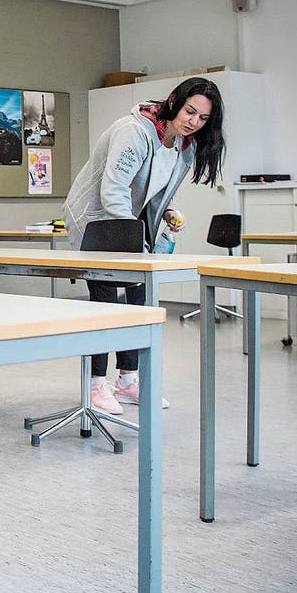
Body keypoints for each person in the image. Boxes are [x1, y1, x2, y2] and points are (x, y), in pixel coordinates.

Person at [61, 76, 226, 413]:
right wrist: (132, 240)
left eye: (202, 118)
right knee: (106, 302)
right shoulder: (133, 131)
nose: (193, 122)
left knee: (139, 299)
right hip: (97, 222)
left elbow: (154, 188)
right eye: (190, 111)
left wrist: (167, 211)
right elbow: (114, 190)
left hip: (130, 225)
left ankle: (127, 381)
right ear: (174, 101)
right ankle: (95, 385)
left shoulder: (183, 145)